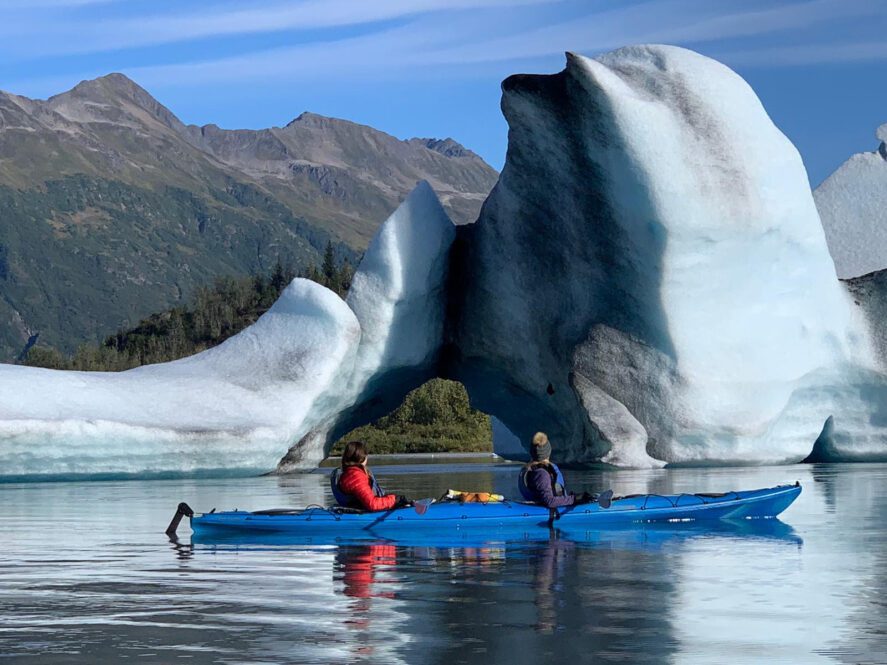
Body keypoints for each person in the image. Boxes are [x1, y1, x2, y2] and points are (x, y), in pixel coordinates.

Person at [519, 432, 597, 508]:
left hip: (540, 506)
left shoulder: (530, 469)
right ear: (548, 452)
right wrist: (574, 498)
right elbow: (549, 501)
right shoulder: (542, 474)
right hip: (547, 511)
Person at [334, 441, 411, 511]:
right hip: (365, 514)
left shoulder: (349, 473)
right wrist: (394, 500)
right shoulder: (356, 476)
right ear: (362, 458)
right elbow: (372, 504)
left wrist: (393, 498)